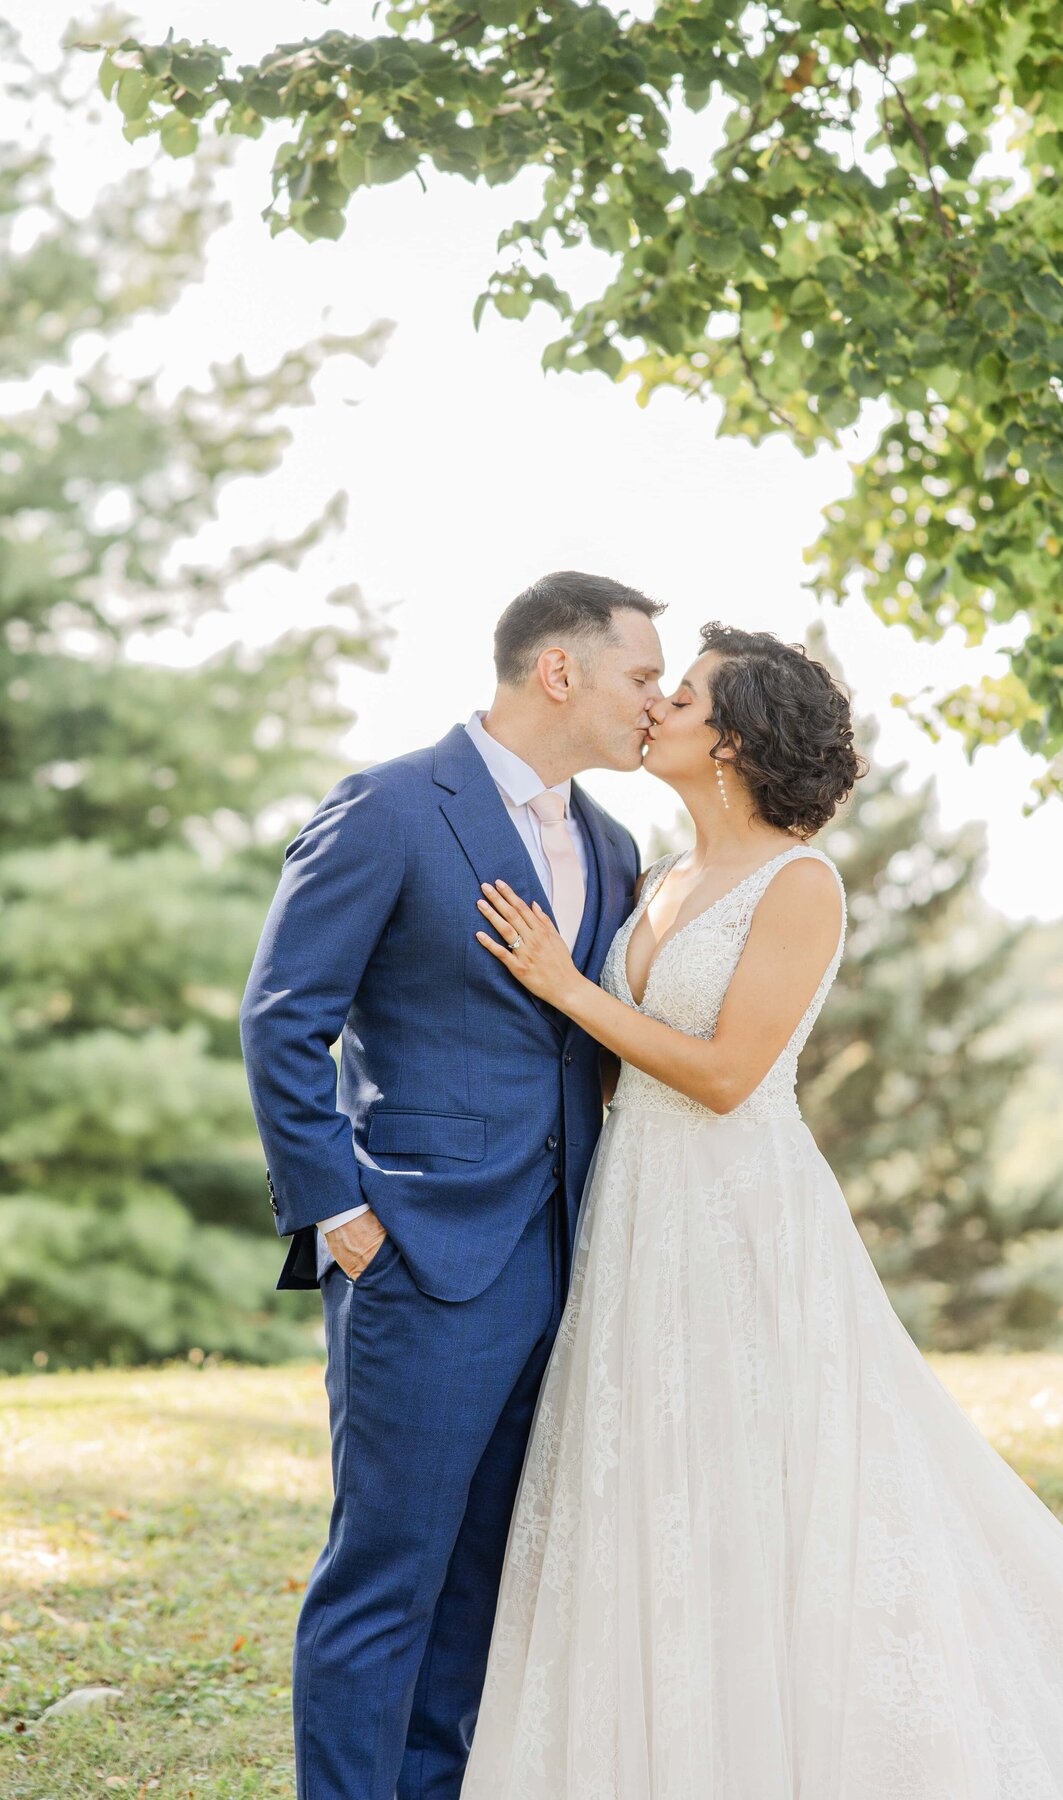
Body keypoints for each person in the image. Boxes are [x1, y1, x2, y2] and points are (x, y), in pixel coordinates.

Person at [461, 622, 1063, 1798]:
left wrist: (561, 982)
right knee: (654, 1476)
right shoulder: (655, 881)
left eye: (685, 696)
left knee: (771, 1482)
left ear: (735, 741)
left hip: (744, 1220)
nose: (656, 706)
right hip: (639, 1215)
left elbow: (722, 1074)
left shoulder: (799, 883)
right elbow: (617, 1070)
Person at [238, 570, 666, 1799]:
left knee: (488, 1578)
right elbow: (282, 1017)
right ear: (560, 670)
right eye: (642, 676)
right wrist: (339, 1213)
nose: (657, 700)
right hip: (415, 1254)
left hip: (562, 1259)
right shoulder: (386, 809)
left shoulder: (614, 841)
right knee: (388, 1575)